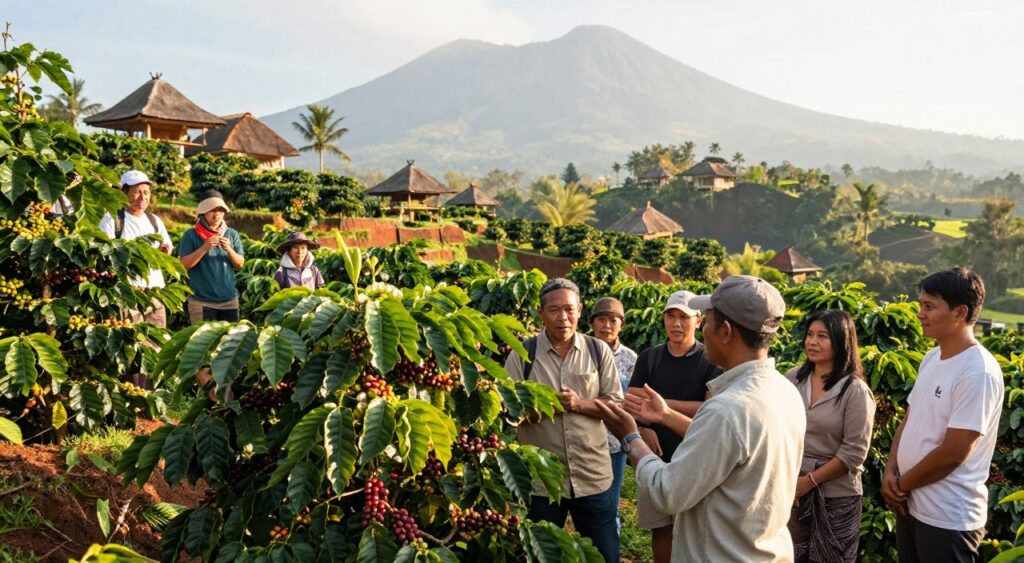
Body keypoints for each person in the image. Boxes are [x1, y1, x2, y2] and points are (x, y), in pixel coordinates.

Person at [596, 275, 806, 562]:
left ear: (726, 331)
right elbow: (732, 445)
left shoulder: (727, 409)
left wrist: (631, 438)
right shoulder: (785, 392)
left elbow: (667, 491)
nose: (702, 329)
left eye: (706, 320)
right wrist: (667, 415)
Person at [882, 267, 1002, 563]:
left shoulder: (977, 371)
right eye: (921, 304)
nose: (920, 313)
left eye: (929, 306)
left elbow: (954, 452)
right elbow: (911, 419)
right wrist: (889, 471)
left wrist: (901, 485)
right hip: (912, 507)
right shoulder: (932, 357)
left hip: (948, 518)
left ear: (960, 312)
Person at [504, 278, 623, 563]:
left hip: (592, 476)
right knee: (540, 554)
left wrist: (580, 404)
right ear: (540, 312)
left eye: (569, 309)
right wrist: (544, 407)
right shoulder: (523, 354)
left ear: (580, 310)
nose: (563, 318)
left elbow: (615, 404)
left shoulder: (598, 351)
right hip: (543, 482)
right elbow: (507, 410)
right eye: (554, 310)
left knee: (604, 554)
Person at [626, 290, 722, 563]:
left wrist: (661, 407)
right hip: (656, 456)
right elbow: (632, 400)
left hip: (694, 457)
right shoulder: (650, 357)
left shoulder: (710, 360)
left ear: (698, 321)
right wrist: (645, 428)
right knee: (661, 528)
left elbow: (710, 407)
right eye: (671, 316)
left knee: (694, 530)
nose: (676, 323)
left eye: (684, 317)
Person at [785, 309, 875, 562]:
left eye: (822, 336)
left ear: (841, 341)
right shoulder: (793, 378)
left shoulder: (855, 391)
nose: (812, 342)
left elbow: (853, 452)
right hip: (792, 490)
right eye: (810, 335)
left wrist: (809, 482)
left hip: (836, 494)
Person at [588, 296, 638, 538]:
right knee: (582, 505)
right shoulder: (579, 350)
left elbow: (628, 402)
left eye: (613, 320)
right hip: (582, 441)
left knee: (610, 506)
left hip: (613, 443)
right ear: (592, 322)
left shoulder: (630, 359)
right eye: (601, 319)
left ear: (622, 325)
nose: (606, 325)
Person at [98, 170, 173, 328]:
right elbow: (105, 255)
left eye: (146, 192)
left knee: (157, 341)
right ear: (123, 194)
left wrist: (164, 251)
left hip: (154, 292)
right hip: (129, 293)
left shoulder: (154, 221)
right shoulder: (112, 220)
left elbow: (166, 248)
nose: (143, 197)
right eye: (137, 192)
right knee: (133, 341)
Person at [178, 191, 245, 323]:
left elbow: (240, 264)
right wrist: (204, 248)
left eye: (220, 210)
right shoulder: (191, 235)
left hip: (229, 301)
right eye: (212, 210)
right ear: (203, 212)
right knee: (203, 342)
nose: (217, 214)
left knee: (229, 342)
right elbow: (183, 265)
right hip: (202, 302)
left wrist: (229, 249)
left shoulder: (231, 234)